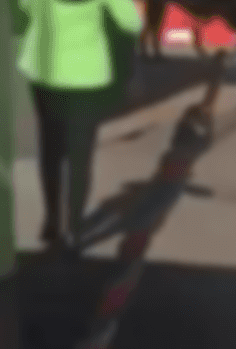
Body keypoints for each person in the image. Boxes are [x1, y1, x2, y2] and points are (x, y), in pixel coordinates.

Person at [12, 0, 143, 253]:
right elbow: (132, 22)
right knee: (80, 155)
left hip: (45, 71)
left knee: (50, 147)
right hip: (86, 73)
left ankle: (51, 221)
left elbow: (21, 13)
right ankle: (74, 228)